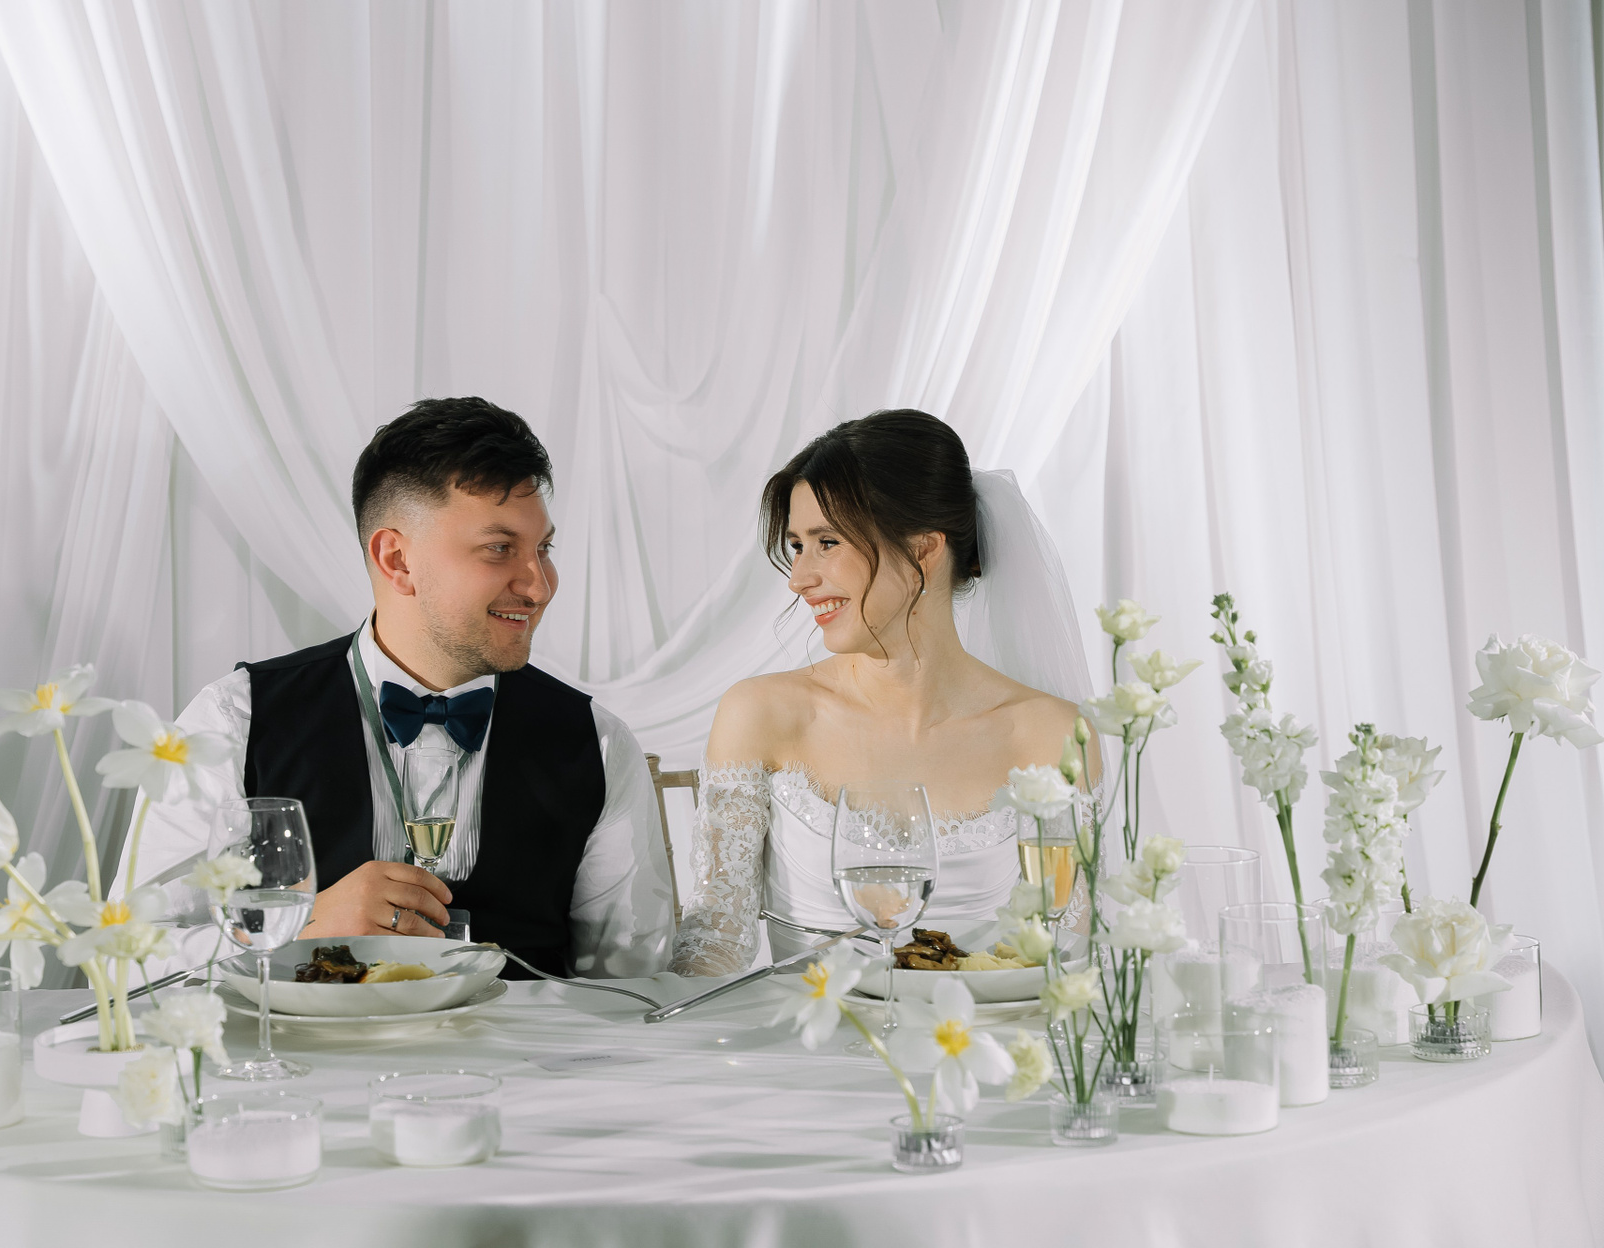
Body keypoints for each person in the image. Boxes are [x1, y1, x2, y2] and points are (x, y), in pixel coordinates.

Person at [129, 397, 674, 979]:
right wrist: (299, 930)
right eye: (499, 549)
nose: (539, 586)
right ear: (397, 560)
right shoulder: (232, 719)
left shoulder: (597, 743)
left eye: (543, 549)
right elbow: (130, 959)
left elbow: (633, 985)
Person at [670, 409, 1093, 976]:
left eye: (827, 542)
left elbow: (1064, 955)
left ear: (923, 550)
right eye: (796, 545)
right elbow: (713, 942)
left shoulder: (1051, 734)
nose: (798, 579)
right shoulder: (761, 714)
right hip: (802, 1028)